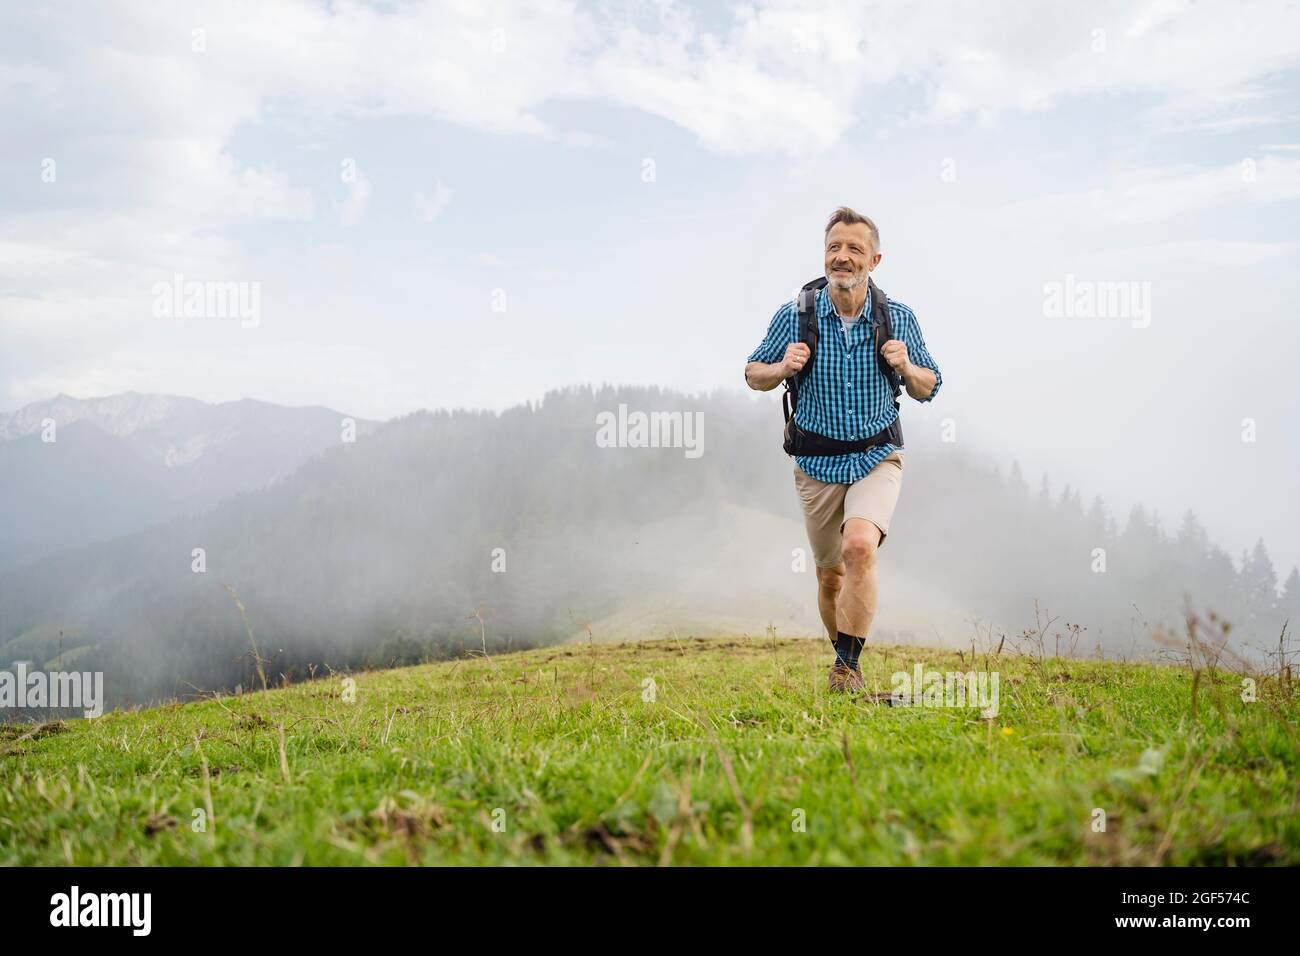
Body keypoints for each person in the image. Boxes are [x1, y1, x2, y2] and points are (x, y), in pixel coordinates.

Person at [744, 206, 943, 692]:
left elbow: (929, 386)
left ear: (875, 259)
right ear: (825, 255)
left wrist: (907, 366)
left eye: (854, 249)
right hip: (816, 463)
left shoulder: (898, 319)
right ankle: (846, 661)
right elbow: (753, 373)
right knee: (830, 576)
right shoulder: (796, 315)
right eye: (835, 247)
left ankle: (845, 669)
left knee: (859, 546)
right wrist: (782, 368)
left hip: (877, 456)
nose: (842, 257)